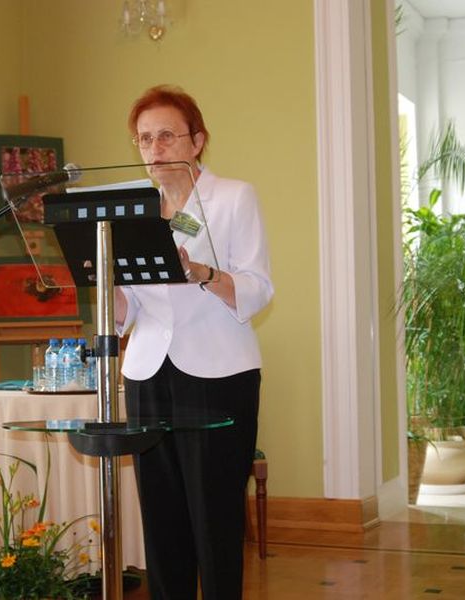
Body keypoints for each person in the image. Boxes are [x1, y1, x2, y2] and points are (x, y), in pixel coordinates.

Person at [114, 84, 273, 599]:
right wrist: (98, 281)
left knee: (214, 517)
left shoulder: (233, 197)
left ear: (197, 140)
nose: (155, 148)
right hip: (147, 373)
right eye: (144, 139)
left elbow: (257, 288)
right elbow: (128, 310)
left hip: (218, 374)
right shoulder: (134, 209)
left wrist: (201, 272)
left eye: (166, 136)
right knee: (161, 520)